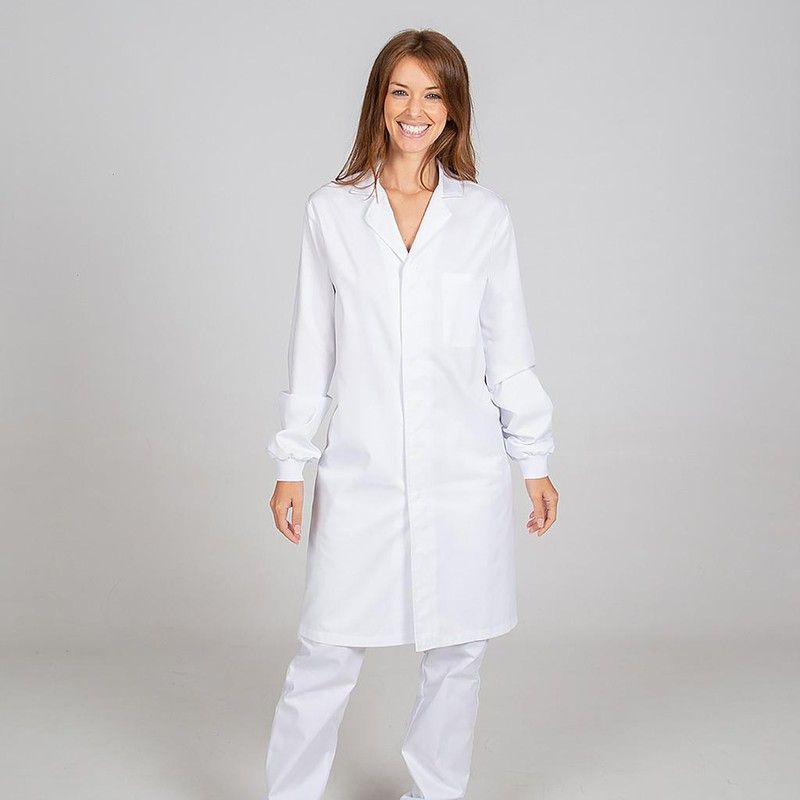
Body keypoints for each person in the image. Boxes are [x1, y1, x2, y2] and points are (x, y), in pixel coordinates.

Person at [264, 28, 559, 800]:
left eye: (433, 94)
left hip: (463, 471)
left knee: (458, 654)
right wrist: (292, 462)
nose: (415, 109)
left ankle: (436, 794)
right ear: (378, 100)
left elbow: (508, 350)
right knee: (326, 651)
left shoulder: (484, 218)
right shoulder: (331, 214)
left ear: (454, 108)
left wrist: (533, 458)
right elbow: (311, 347)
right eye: (401, 91)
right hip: (362, 470)